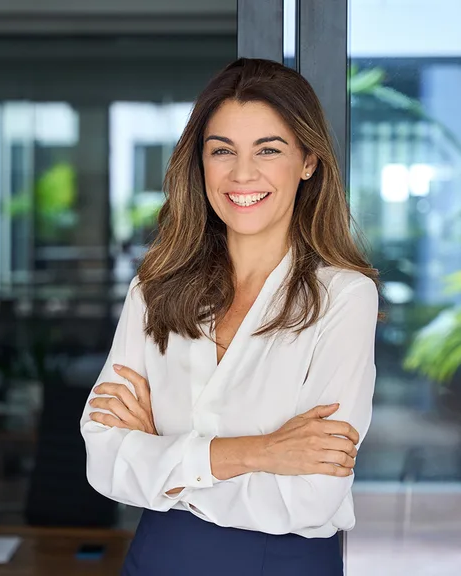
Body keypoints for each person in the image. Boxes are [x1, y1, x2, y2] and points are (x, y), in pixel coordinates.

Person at [80, 58, 379, 576]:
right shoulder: (155, 291)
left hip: (282, 563)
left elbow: (312, 495)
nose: (243, 174)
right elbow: (105, 464)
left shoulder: (344, 298)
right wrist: (262, 452)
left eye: (269, 149)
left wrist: (161, 458)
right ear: (200, 163)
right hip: (158, 557)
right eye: (223, 151)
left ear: (308, 161)